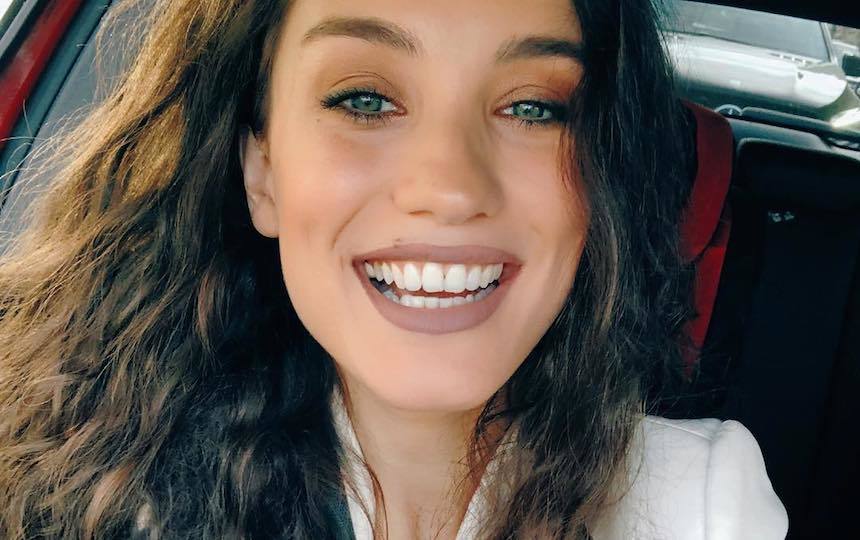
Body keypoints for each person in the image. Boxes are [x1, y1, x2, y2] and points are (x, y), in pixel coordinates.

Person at [0, 0, 788, 538]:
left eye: (534, 108)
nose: (450, 189)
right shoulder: (73, 487)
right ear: (261, 172)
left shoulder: (698, 505)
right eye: (365, 100)